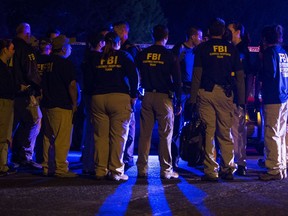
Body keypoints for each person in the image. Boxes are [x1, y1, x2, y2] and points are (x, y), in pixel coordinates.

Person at [189, 18, 245, 181]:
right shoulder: (231, 49)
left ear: (209, 32)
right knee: (225, 132)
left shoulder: (202, 48)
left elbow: (197, 75)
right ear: (223, 32)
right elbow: (240, 76)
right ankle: (227, 168)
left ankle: (211, 170)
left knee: (209, 132)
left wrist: (192, 99)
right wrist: (241, 100)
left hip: (206, 94)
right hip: (225, 95)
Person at [88, 31, 138, 181]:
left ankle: (100, 169)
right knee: (118, 136)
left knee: (100, 137)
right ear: (118, 43)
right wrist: (134, 94)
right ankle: (116, 170)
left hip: (98, 97)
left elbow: (89, 78)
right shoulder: (123, 56)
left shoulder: (96, 57)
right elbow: (133, 75)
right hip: (119, 97)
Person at [136, 24, 182, 179]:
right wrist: (179, 100)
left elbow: (136, 75)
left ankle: (142, 168)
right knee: (166, 135)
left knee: (145, 135)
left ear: (153, 36)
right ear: (166, 37)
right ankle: (165, 169)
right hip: (164, 98)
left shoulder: (144, 54)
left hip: (148, 95)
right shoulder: (169, 56)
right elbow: (177, 80)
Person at [41, 35, 78, 177]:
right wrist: (74, 103)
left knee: (48, 137)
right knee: (62, 138)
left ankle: (47, 166)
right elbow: (72, 85)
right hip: (61, 105)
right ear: (63, 49)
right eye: (69, 46)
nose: (71, 48)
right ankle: (61, 169)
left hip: (47, 104)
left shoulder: (48, 63)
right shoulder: (65, 64)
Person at [258, 24, 288, 181]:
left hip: (273, 98)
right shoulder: (283, 52)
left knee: (272, 134)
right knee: (281, 134)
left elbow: (270, 73)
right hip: (284, 97)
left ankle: (274, 169)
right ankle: (281, 166)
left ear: (265, 39)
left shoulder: (270, 53)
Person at [11, 22, 42, 169]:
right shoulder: (26, 49)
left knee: (11, 125)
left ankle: (12, 156)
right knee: (32, 121)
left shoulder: (8, 47)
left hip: (9, 92)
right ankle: (24, 155)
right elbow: (31, 72)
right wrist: (38, 87)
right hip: (24, 93)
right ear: (27, 34)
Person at [171, 26, 203, 168]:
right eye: (199, 37)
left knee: (196, 124)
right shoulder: (180, 49)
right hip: (182, 91)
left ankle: (194, 156)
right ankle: (174, 158)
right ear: (193, 37)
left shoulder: (197, 51)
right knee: (177, 125)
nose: (201, 40)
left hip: (194, 90)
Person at [113, 21, 140, 170]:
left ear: (123, 31)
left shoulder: (130, 49)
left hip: (128, 92)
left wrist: (133, 93)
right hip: (118, 91)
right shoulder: (114, 47)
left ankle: (128, 157)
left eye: (116, 31)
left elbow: (134, 73)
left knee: (129, 125)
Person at [227, 22, 252, 176]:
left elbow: (246, 75)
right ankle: (234, 162)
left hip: (237, 97)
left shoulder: (242, 51)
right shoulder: (234, 49)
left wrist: (243, 98)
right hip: (232, 96)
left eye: (229, 30)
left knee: (237, 131)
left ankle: (240, 163)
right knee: (232, 131)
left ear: (237, 32)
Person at [81, 32, 105, 175]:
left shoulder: (86, 58)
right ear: (100, 43)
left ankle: (86, 162)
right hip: (96, 95)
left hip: (87, 94)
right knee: (95, 130)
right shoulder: (98, 58)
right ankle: (92, 163)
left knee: (89, 128)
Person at [0, 39, 17, 176]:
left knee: (5, 134)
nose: (13, 52)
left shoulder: (6, 66)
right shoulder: (2, 67)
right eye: (11, 49)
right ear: (4, 49)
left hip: (7, 100)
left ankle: (3, 163)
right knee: (2, 133)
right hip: (3, 101)